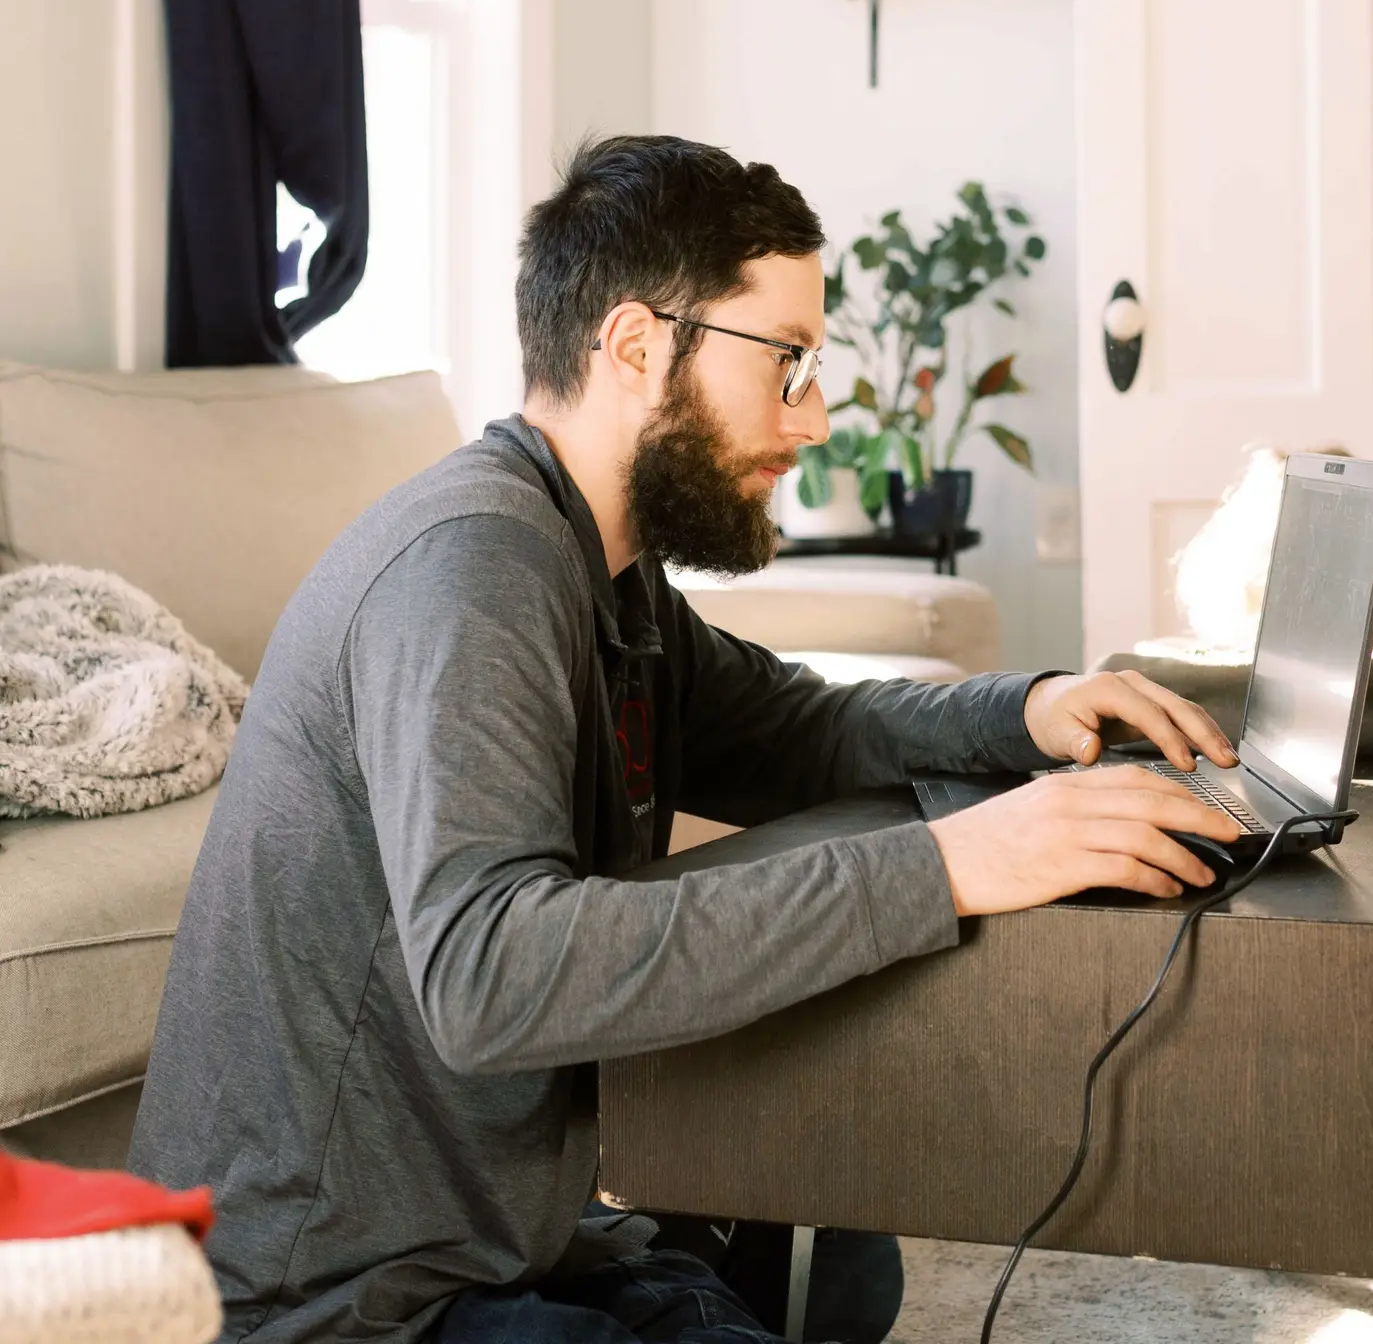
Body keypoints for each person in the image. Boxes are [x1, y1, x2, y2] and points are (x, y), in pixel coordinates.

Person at [129, 136, 1243, 1344]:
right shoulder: (472, 565)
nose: (812, 420)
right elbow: (490, 974)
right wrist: (956, 865)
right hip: (336, 1299)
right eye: (788, 365)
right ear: (636, 346)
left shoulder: (599, 566)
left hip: (515, 1235)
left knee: (845, 1252)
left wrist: (1024, 712)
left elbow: (789, 732)